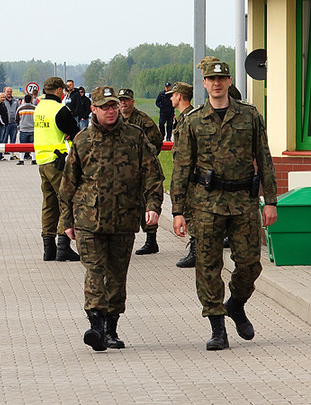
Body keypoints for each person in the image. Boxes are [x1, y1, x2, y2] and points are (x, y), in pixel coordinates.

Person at [171, 60, 278, 351]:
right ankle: (217, 326)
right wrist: (178, 211)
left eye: (222, 79)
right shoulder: (193, 120)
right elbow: (181, 167)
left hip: (243, 201)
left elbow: (264, 159)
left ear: (230, 81)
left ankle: (237, 303)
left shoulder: (249, 115)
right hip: (206, 203)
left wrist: (270, 201)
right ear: (204, 84)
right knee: (207, 266)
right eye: (211, 79)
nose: (216, 83)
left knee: (249, 264)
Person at [60, 85, 164, 352]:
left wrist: (153, 206)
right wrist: (67, 222)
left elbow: (153, 175)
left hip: (124, 219)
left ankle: (111, 328)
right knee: (95, 271)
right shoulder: (82, 140)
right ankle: (95, 325)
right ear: (93, 109)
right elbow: (68, 184)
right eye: (105, 107)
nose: (111, 111)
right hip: (88, 220)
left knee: (117, 276)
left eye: (114, 106)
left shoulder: (135, 137)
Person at [33, 77, 80, 262]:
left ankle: (48, 249)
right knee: (65, 201)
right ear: (60, 90)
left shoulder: (39, 109)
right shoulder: (59, 109)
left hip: (42, 160)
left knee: (49, 204)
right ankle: (63, 247)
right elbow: (75, 130)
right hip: (57, 161)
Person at [117, 88, 164, 255]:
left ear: (132, 102)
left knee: (146, 203)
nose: (123, 103)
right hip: (122, 172)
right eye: (121, 100)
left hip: (142, 170)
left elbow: (156, 141)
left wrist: (145, 161)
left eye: (126, 100)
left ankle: (151, 240)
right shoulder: (115, 119)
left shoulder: (143, 120)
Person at [169, 82, 197, 269]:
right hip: (184, 170)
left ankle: (196, 250)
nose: (171, 98)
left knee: (193, 212)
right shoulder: (181, 118)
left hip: (192, 173)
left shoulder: (191, 118)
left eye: (173, 95)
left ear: (179, 96)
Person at [15, 94, 36, 165]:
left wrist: (19, 126)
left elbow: (16, 119)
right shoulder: (35, 108)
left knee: (22, 145)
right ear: (31, 100)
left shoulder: (20, 108)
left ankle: (21, 160)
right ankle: (34, 160)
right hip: (33, 129)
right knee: (33, 145)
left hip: (23, 129)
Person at [2, 86, 19, 160]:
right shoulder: (3, 101)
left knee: (13, 139)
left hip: (13, 123)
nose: (9, 93)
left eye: (10, 91)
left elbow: (17, 110)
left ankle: (12, 154)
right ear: (5, 92)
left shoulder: (15, 100)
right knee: (4, 139)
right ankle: (2, 154)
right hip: (6, 123)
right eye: (8, 91)